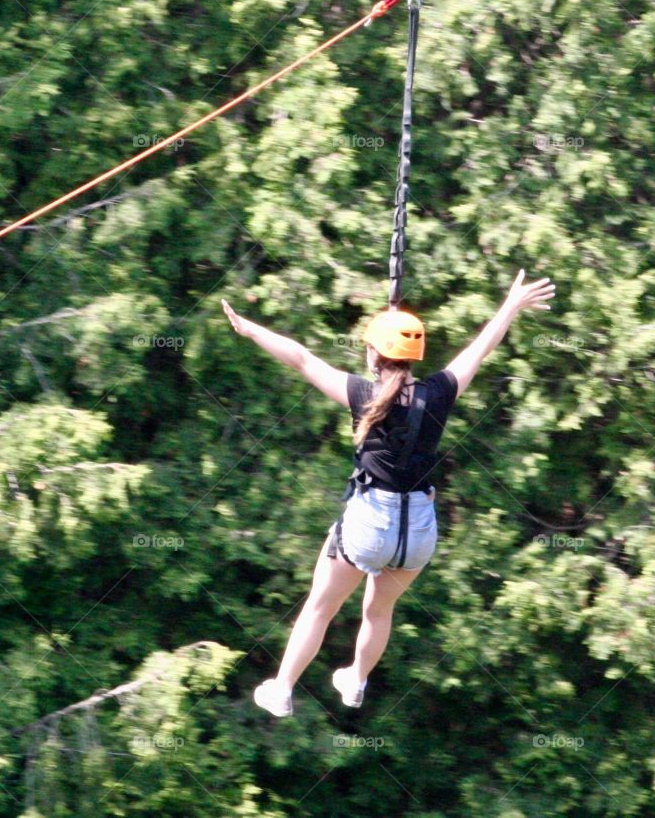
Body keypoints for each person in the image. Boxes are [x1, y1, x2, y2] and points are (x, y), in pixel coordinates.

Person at [220, 269, 555, 717]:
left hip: (369, 524)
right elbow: (480, 347)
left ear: (374, 354)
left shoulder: (361, 394)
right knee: (378, 612)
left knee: (320, 606)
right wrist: (511, 305)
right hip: (418, 532)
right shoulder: (439, 393)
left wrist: (249, 327)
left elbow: (300, 358)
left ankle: (282, 689)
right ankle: (356, 681)